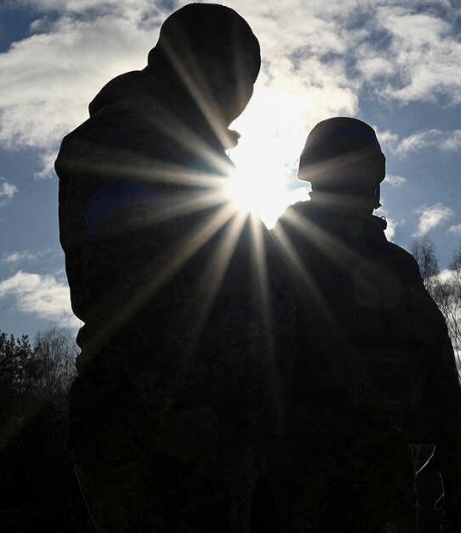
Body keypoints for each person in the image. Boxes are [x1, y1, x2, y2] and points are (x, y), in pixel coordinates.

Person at [56, 4, 281, 531]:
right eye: (237, 76)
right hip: (158, 422)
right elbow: (127, 285)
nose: (241, 98)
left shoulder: (198, 156)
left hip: (213, 419)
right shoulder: (127, 138)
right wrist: (183, 407)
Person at [272, 117, 461, 532]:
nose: (365, 183)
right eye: (354, 168)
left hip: (382, 481)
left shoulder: (397, 266)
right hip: (294, 477)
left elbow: (438, 373)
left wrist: (456, 471)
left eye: (367, 170)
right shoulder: (276, 252)